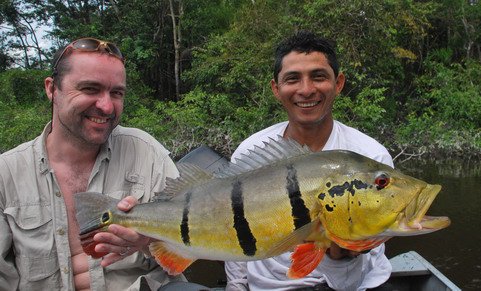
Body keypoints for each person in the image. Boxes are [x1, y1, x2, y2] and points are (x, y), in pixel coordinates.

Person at [0, 38, 185, 290]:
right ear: (52, 89)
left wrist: (150, 242)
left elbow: (194, 241)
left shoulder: (146, 152)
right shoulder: (7, 173)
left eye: (116, 93)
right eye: (90, 89)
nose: (106, 106)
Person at [224, 31, 394, 290]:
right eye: (293, 79)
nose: (306, 90)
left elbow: (365, 264)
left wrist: (341, 255)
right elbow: (234, 230)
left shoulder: (371, 158)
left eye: (318, 76)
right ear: (276, 89)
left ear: (338, 83)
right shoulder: (251, 151)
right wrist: (236, 286)